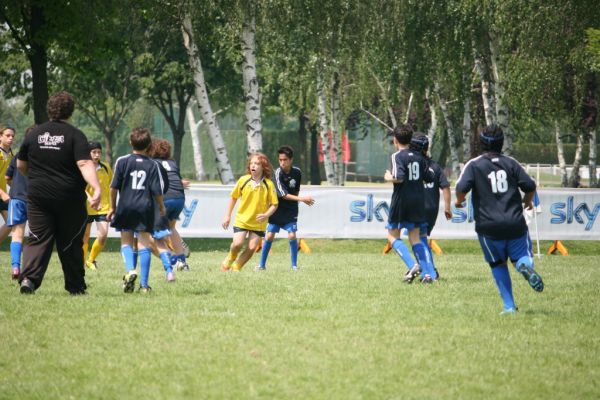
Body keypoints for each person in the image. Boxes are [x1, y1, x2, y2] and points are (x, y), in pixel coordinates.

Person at [17, 91, 101, 295]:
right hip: (69, 198)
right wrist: (96, 187)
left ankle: (29, 279)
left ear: (49, 109)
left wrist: (36, 179)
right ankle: (75, 286)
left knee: (38, 238)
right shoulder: (75, 135)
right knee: (71, 241)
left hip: (38, 197)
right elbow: (84, 163)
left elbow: (21, 164)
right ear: (70, 111)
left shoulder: (34, 134)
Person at [455, 124, 544, 315]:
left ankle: (509, 307)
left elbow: (461, 187)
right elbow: (530, 185)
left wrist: (459, 201)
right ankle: (523, 266)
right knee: (521, 257)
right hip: (515, 224)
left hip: (488, 228)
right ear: (502, 143)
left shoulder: (474, 164)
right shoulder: (511, 163)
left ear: (481, 144)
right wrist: (527, 202)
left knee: (497, 264)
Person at [108, 127, 166, 293]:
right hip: (144, 207)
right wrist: (161, 207)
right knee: (144, 243)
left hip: (125, 206)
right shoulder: (152, 165)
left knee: (126, 241)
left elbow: (113, 187)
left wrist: (112, 207)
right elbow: (157, 191)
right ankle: (144, 285)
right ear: (149, 145)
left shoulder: (122, 161)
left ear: (130, 142)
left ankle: (130, 270)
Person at [384, 124, 436, 283]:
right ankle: (427, 274)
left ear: (395, 141)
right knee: (415, 239)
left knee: (392, 237)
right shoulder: (419, 157)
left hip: (402, 202)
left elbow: (399, 177)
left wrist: (388, 177)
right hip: (419, 201)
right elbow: (430, 177)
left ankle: (412, 265)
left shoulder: (397, 156)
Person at [257, 145, 314, 271]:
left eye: (285, 160)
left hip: (291, 210)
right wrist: (302, 199)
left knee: (292, 235)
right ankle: (261, 265)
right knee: (270, 235)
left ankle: (294, 265)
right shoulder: (278, 173)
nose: (282, 162)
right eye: (280, 160)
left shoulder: (297, 172)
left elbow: (296, 190)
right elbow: (283, 195)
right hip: (277, 209)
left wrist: (298, 201)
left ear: (291, 160)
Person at [221, 153, 278, 271]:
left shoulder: (269, 184)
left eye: (257, 163)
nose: (254, 166)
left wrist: (266, 215)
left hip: (258, 223)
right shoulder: (243, 180)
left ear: (263, 166)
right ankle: (231, 257)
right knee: (237, 244)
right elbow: (233, 197)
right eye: (252, 163)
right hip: (242, 220)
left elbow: (274, 204)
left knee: (252, 248)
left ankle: (236, 268)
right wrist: (227, 216)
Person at [410, 134, 452, 278]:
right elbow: (445, 187)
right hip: (432, 209)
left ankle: (430, 272)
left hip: (418, 208)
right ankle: (428, 269)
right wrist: (447, 207)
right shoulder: (435, 166)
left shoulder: (412, 165)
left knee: (418, 240)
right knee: (421, 239)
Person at [149, 138, 190, 272]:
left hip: (165, 198)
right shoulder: (172, 162)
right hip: (179, 198)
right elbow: (176, 179)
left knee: (152, 235)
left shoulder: (153, 163)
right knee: (171, 229)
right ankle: (182, 261)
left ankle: (171, 259)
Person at [5, 126, 34, 280]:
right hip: (34, 200)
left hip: (16, 198)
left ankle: (16, 267)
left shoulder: (17, 156)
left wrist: (16, 187)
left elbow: (7, 178)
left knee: (17, 234)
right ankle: (31, 268)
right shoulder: (40, 157)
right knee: (36, 236)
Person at [82, 141, 113, 271]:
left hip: (103, 207)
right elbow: (80, 188)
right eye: (94, 152)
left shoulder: (106, 167)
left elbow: (112, 187)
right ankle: (81, 263)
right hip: (86, 207)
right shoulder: (83, 168)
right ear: (88, 153)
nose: (96, 155)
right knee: (85, 236)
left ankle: (91, 260)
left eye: (99, 152)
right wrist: (90, 199)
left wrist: (112, 206)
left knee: (103, 234)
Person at [0, 125, 16, 244]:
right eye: (7, 135)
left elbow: (9, 177)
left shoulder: (10, 154)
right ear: (0, 137)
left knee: (12, 221)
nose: (10, 138)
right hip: (2, 194)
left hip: (3, 195)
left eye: (12, 136)